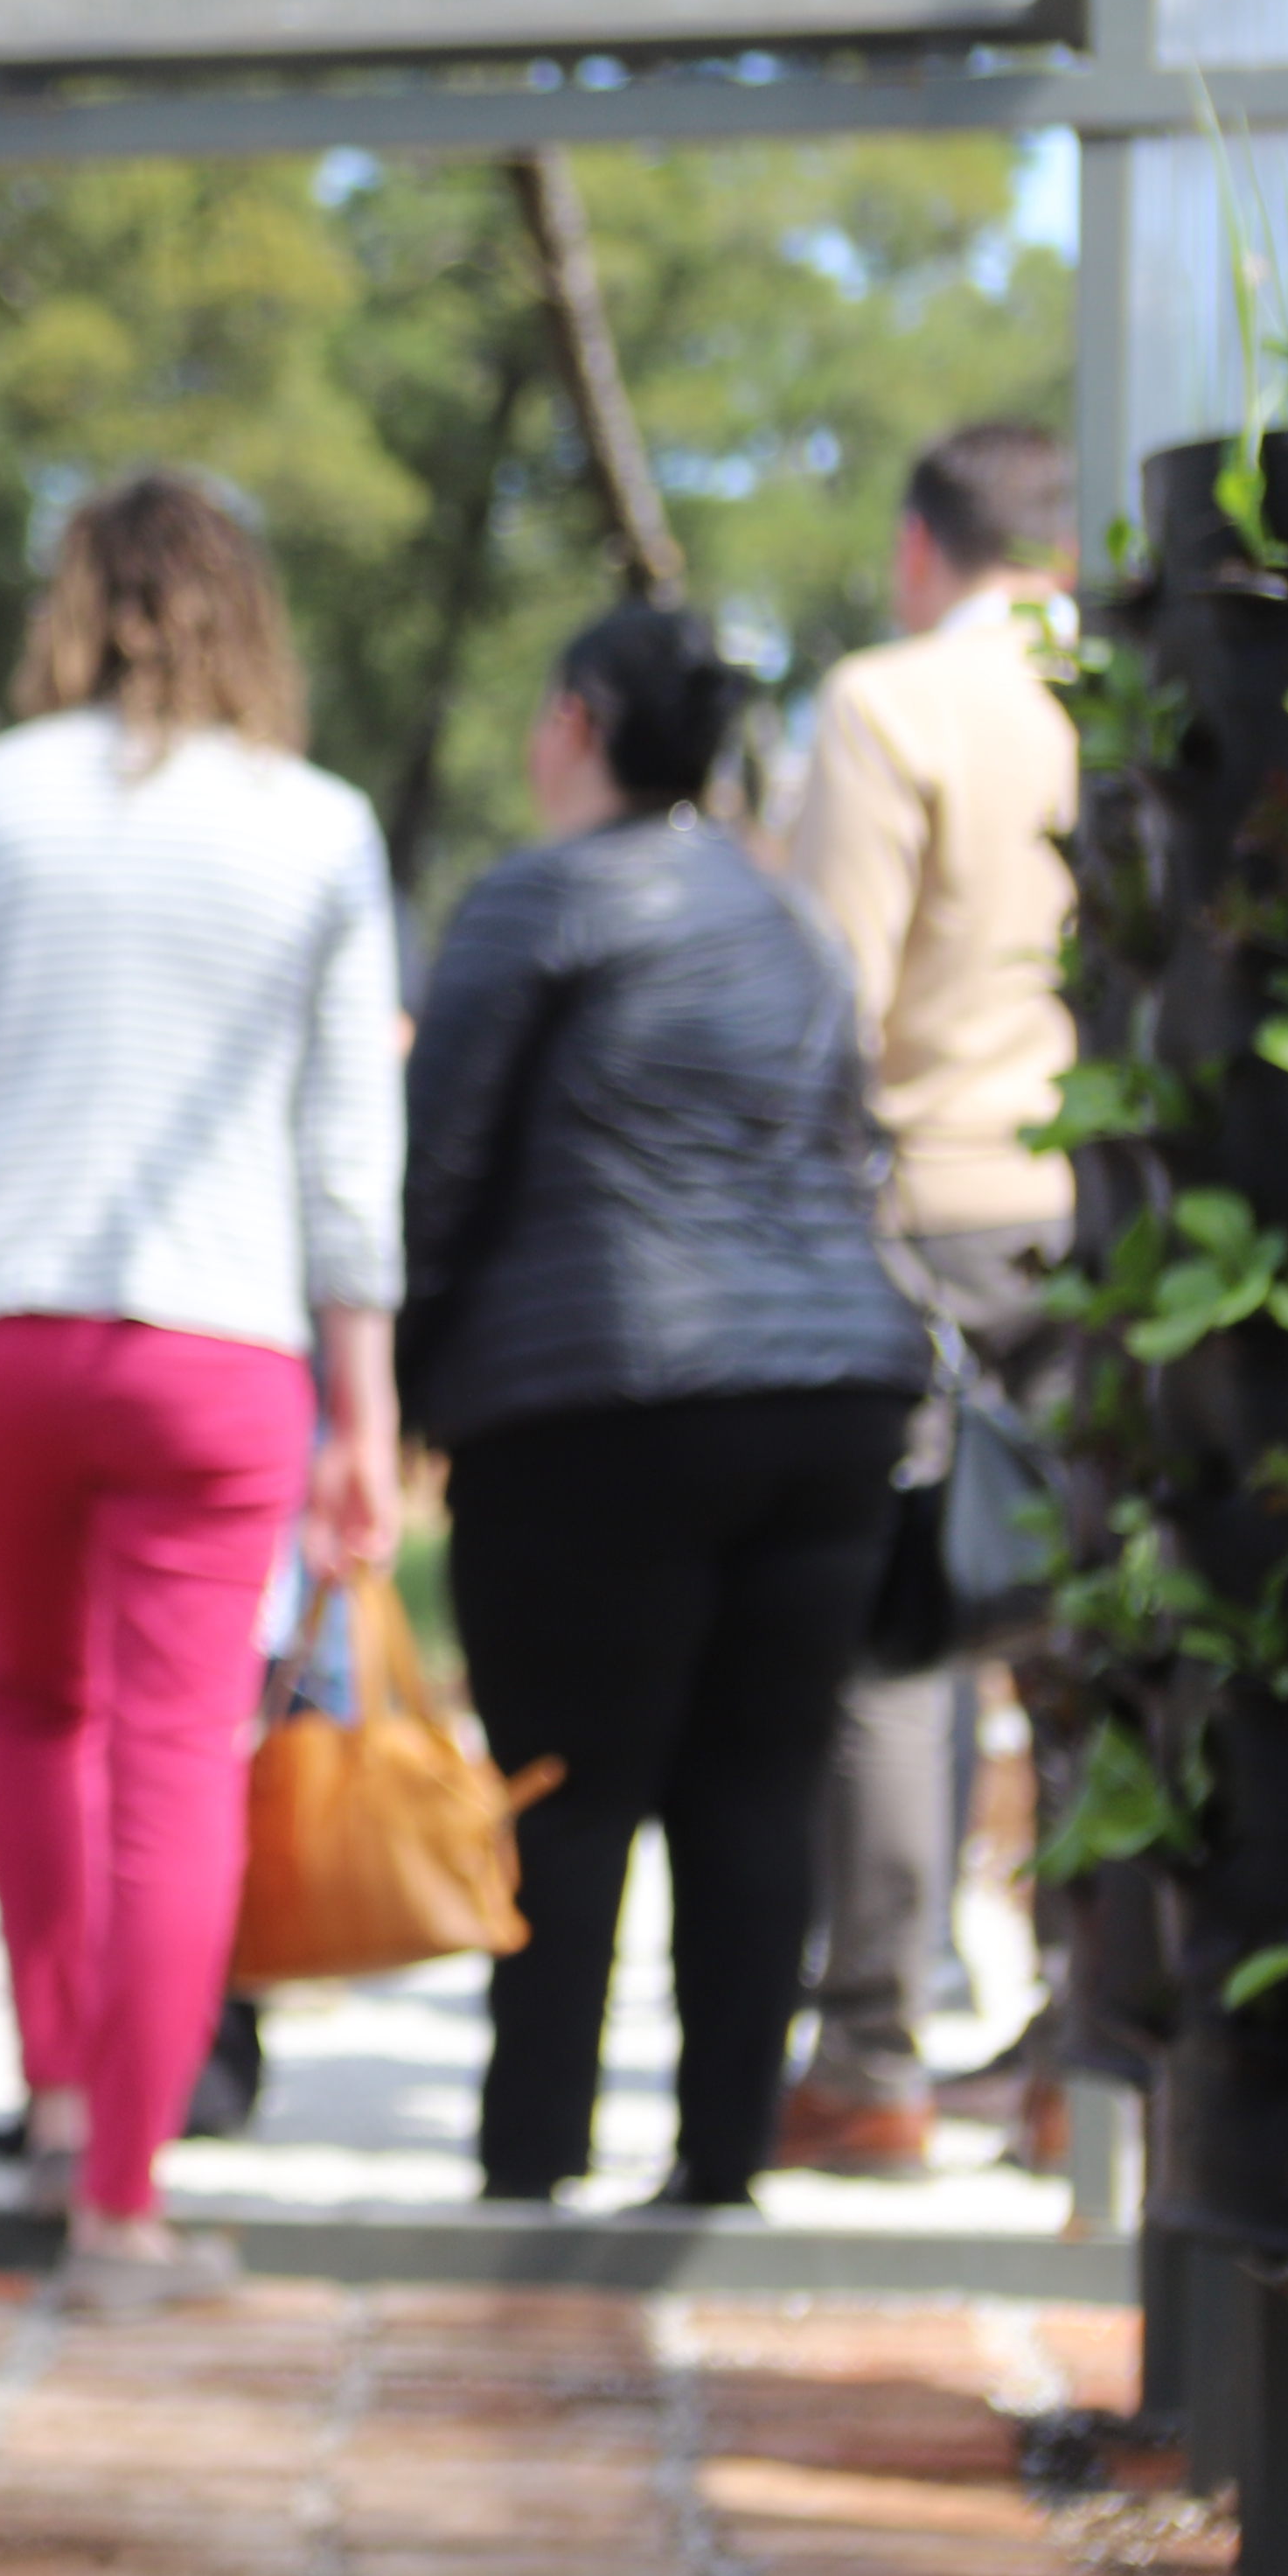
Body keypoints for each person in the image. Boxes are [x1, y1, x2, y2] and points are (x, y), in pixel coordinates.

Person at [0, 477, 405, 2311]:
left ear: (73, 599)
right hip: (215, 1341)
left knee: (31, 1696)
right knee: (180, 1749)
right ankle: (124, 2203)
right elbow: (348, 1152)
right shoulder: (318, 827)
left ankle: (62, 2089)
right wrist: (369, 1414)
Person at [405, 606, 934, 2205]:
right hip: (832, 1398)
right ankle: (721, 2166)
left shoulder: (538, 900)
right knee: (752, 1789)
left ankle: (530, 2170)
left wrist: (406, 1384)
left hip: (599, 1396)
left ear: (573, 721)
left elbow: (438, 1167)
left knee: (566, 1793)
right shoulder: (792, 926)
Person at [778, 422, 1078, 2175]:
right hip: (1121, 1211)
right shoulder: (1146, 679)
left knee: (902, 1633)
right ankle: (1078, 2050)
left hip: (932, 1216)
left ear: (920, 548)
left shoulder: (893, 701)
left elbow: (833, 999)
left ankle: (874, 2054)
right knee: (1084, 1642)